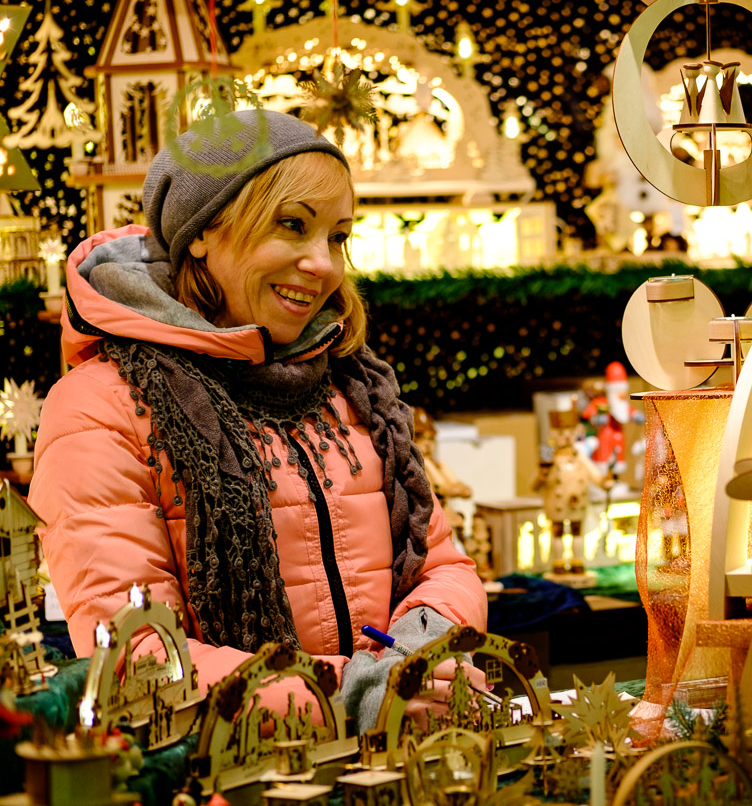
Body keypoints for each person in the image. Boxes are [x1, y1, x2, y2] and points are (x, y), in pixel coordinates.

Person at [29, 109, 487, 729]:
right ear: (202, 234)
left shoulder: (352, 386)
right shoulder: (101, 408)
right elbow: (138, 659)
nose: (322, 265)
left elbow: (442, 569)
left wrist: (416, 662)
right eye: (291, 226)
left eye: (336, 237)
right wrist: (349, 695)